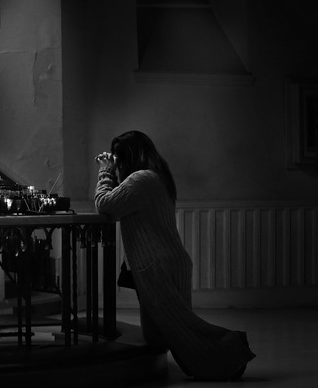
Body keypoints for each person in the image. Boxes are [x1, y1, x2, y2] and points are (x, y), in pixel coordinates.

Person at [94, 130, 255, 381]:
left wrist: (105, 171)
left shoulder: (140, 180)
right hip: (166, 262)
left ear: (130, 157)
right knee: (163, 333)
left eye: (120, 159)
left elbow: (105, 204)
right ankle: (217, 358)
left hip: (157, 265)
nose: (118, 165)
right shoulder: (157, 177)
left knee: (182, 329)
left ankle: (230, 353)